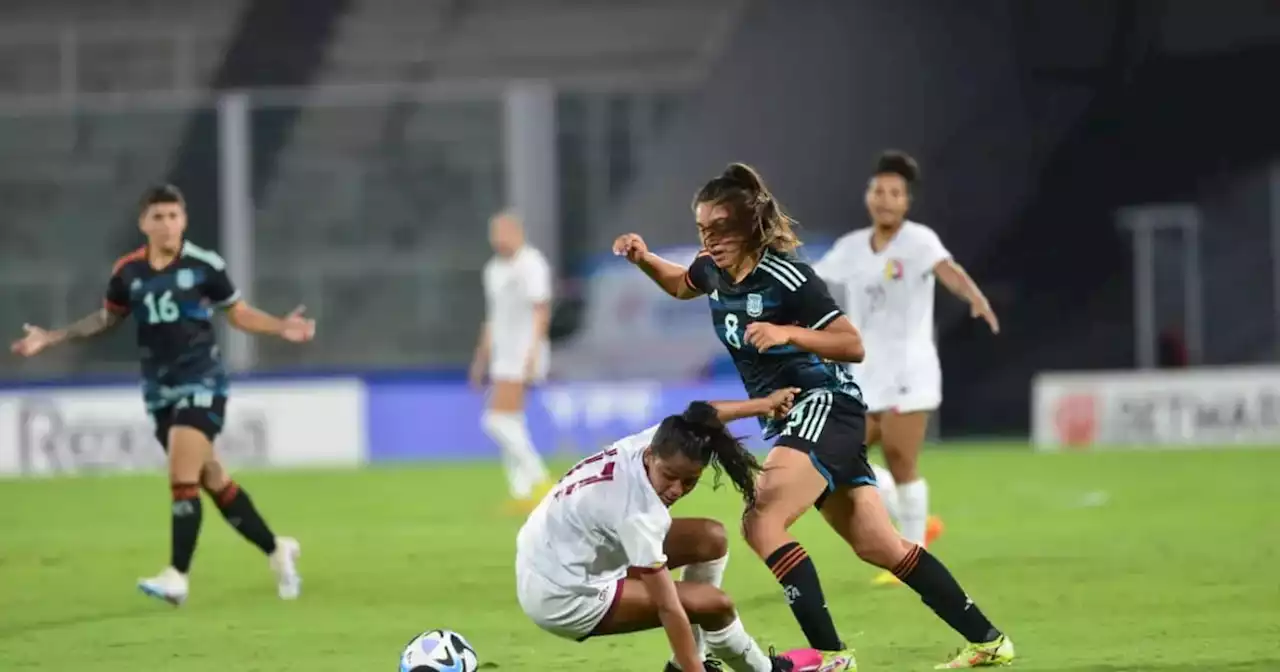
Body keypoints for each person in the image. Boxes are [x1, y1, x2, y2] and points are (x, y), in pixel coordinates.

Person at [612, 163, 1015, 669]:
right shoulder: (712, 269)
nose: (709, 240)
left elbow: (851, 344)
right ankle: (990, 641)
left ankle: (830, 656)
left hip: (825, 402)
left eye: (719, 229)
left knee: (762, 521)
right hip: (793, 418)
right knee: (879, 545)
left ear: (747, 227)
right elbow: (680, 285)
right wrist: (644, 258)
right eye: (702, 230)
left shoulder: (788, 275)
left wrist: (788, 334)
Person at [9, 184, 314, 606]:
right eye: (158, 217)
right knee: (213, 480)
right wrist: (53, 337)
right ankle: (276, 549)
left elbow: (238, 313)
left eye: (174, 216)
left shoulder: (205, 265)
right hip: (159, 389)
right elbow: (105, 318)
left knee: (181, 477)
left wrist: (280, 326)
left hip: (203, 381)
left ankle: (177, 576)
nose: (167, 224)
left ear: (184, 220)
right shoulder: (128, 272)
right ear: (144, 224)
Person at [516, 392, 814, 672]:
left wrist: (764, 404)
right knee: (715, 605)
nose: (675, 490)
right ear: (651, 457)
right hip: (563, 596)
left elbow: (702, 415)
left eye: (689, 482)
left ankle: (689, 662)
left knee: (711, 537)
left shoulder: (660, 441)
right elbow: (668, 608)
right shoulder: (638, 511)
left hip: (553, 555)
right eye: (669, 477)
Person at [812, 150, 999, 586]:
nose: (885, 199)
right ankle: (917, 524)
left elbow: (947, 271)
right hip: (862, 373)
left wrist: (974, 295)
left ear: (906, 202)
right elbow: (814, 283)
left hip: (909, 372)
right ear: (868, 196)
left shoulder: (918, 241)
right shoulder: (851, 248)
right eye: (879, 191)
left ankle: (911, 556)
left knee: (900, 458)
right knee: (838, 459)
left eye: (894, 193)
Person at [470, 211, 553, 512]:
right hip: (502, 354)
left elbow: (541, 310)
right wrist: (481, 358)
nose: (497, 239)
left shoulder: (532, 263)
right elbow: (492, 317)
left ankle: (540, 478)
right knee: (512, 421)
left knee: (494, 420)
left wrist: (533, 353)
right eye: (494, 233)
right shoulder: (493, 269)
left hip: (524, 351)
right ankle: (521, 492)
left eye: (502, 232)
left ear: (517, 232)